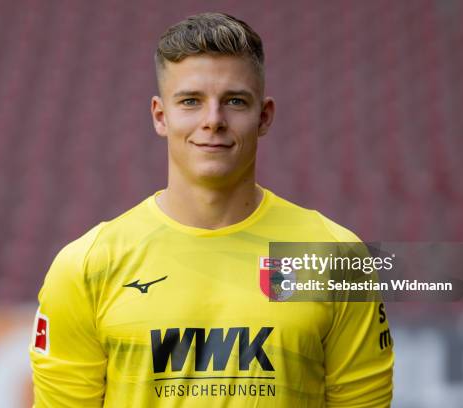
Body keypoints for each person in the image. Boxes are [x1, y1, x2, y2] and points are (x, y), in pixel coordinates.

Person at [29, 12, 393, 407]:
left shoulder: (334, 256)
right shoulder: (87, 265)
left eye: (235, 101)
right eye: (191, 102)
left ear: (264, 116)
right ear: (160, 115)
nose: (213, 120)